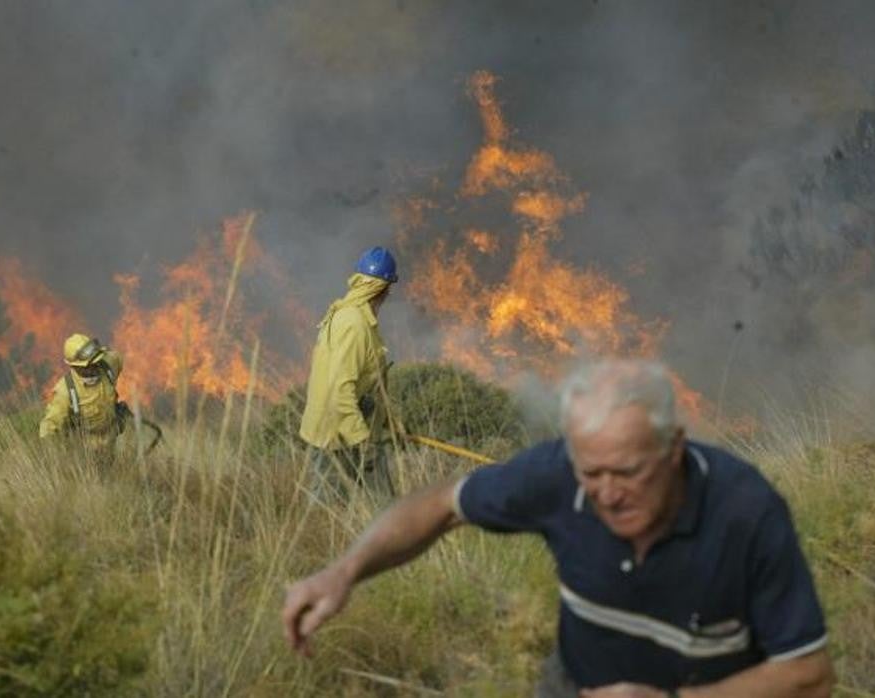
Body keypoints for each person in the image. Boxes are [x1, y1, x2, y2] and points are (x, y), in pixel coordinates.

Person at [283, 359, 834, 697]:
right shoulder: (556, 475)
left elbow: (808, 674)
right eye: (591, 472)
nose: (609, 492)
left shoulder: (745, 512)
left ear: (674, 450)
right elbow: (440, 505)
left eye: (628, 471)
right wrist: (345, 570)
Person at [298, 246, 399, 501]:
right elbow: (340, 390)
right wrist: (362, 441)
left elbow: (368, 381)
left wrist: (388, 421)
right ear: (383, 289)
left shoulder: (354, 317)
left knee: (382, 507)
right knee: (328, 511)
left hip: (353, 426)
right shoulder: (354, 325)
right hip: (337, 433)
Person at [39, 333, 127, 465]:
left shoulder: (108, 365)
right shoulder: (66, 391)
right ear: (74, 366)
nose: (92, 368)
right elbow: (49, 427)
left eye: (95, 362)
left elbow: (117, 357)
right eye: (86, 366)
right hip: (84, 457)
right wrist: (55, 460)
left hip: (112, 446)